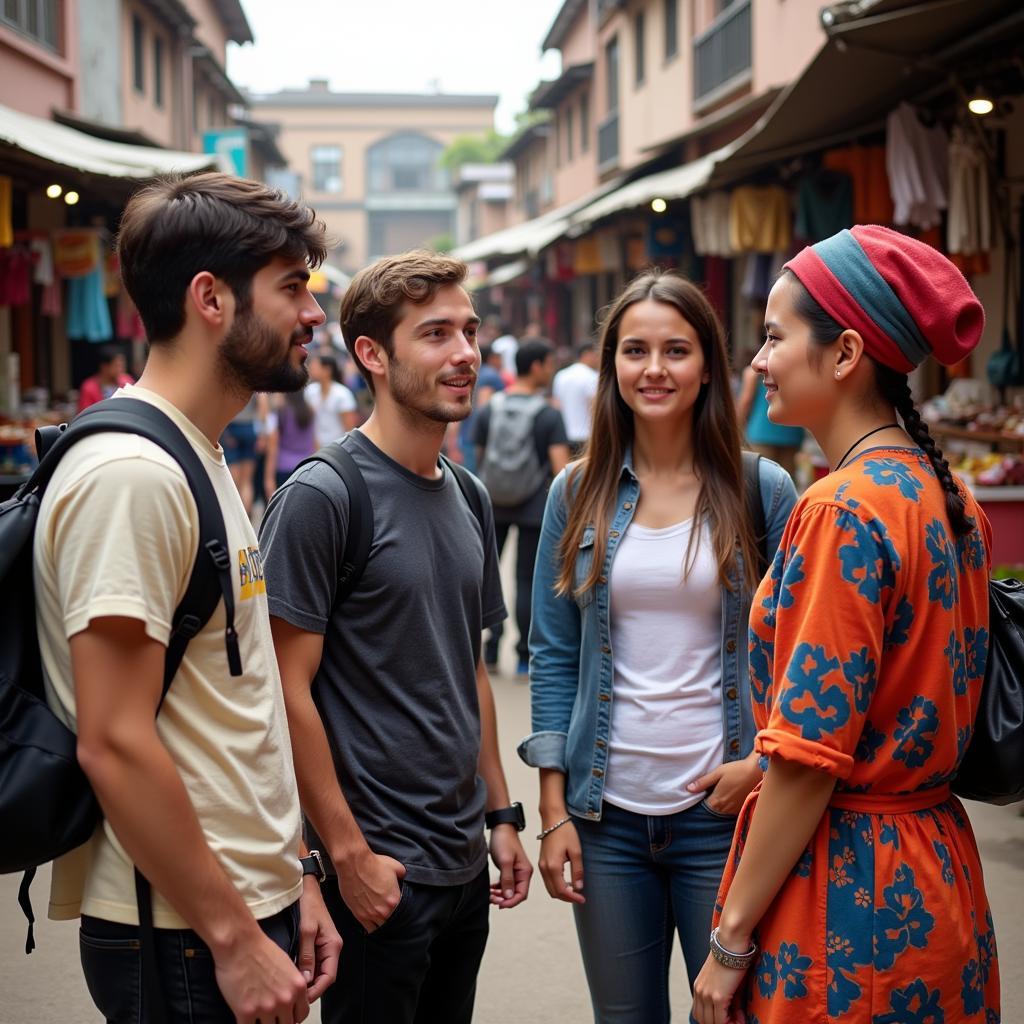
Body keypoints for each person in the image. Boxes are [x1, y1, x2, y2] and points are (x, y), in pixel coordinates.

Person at [34, 172, 341, 1022]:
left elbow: (227, 710)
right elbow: (116, 740)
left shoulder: (191, 452)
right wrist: (235, 936)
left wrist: (295, 877)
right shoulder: (133, 476)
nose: (314, 315)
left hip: (237, 903)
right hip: (180, 931)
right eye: (292, 289)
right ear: (211, 299)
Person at [692, 226, 998, 1024]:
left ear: (845, 352)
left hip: (847, 898)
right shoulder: (948, 495)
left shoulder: (841, 510)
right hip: (939, 873)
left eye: (773, 336)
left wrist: (728, 942)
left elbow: (810, 761)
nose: (758, 360)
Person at [259, 249, 532, 1024]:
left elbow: (468, 668)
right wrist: (345, 858)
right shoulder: (324, 496)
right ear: (373, 356)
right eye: (436, 334)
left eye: (470, 332)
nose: (466, 354)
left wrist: (500, 816)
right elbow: (286, 690)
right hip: (380, 871)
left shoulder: (469, 495)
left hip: (462, 862)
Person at [522, 269, 797, 1023]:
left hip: (725, 816)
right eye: (634, 350)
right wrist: (553, 811)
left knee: (733, 1013)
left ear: (707, 362)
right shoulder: (575, 492)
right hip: (604, 821)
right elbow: (554, 653)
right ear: (610, 365)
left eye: (675, 350)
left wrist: (763, 764)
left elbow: (806, 656)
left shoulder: (761, 490)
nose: (654, 369)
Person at [475, 337, 570, 676]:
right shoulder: (548, 414)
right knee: (527, 581)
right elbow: (560, 468)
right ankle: (522, 658)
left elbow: (481, 455)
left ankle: (488, 649)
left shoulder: (490, 408)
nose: (551, 369)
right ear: (536, 367)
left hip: (492, 501)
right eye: (548, 363)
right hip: (533, 505)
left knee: (486, 575)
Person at [736, 362, 805, 477]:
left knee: (757, 482)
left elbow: (746, 402)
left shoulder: (754, 371)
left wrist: (736, 429)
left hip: (760, 433)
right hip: (792, 433)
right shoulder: (797, 366)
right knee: (786, 482)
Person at [264, 389, 317, 500]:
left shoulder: (281, 413)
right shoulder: (310, 411)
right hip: (307, 467)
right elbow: (314, 440)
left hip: (284, 468)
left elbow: (273, 446)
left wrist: (268, 478)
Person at [552, 341, 600, 456]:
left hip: (564, 436)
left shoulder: (561, 375)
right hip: (586, 438)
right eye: (596, 354)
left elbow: (556, 405)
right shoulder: (592, 376)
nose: (598, 358)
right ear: (587, 354)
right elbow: (594, 408)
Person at [304, 349, 359, 447]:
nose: (311, 368)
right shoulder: (310, 391)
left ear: (327, 370)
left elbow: (349, 429)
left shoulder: (342, 394)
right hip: (317, 447)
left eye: (315, 365)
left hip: (338, 449)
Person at [221, 393, 263, 516]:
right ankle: (246, 520)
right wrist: (261, 432)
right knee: (247, 481)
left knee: (232, 483)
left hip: (232, 426)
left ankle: (234, 518)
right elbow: (262, 403)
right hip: (250, 427)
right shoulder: (255, 378)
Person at [76, 344, 134, 412]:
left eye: (123, 365)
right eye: (117, 366)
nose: (121, 369)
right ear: (104, 366)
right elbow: (85, 413)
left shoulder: (127, 382)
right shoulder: (89, 387)